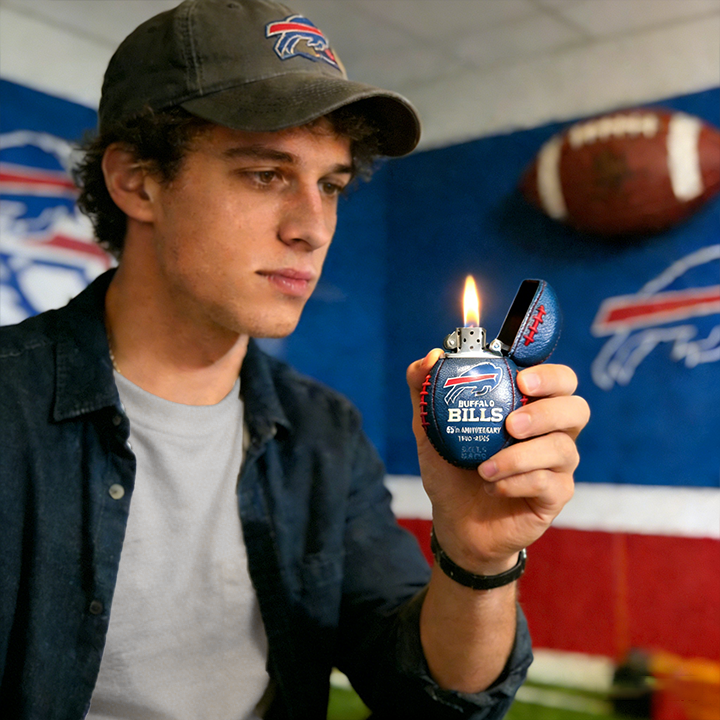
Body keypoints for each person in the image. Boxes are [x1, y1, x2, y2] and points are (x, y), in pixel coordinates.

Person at [0, 1, 590, 718]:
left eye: (330, 186)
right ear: (136, 181)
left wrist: (477, 558)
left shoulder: (323, 432)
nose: (313, 227)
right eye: (265, 174)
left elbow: (430, 701)